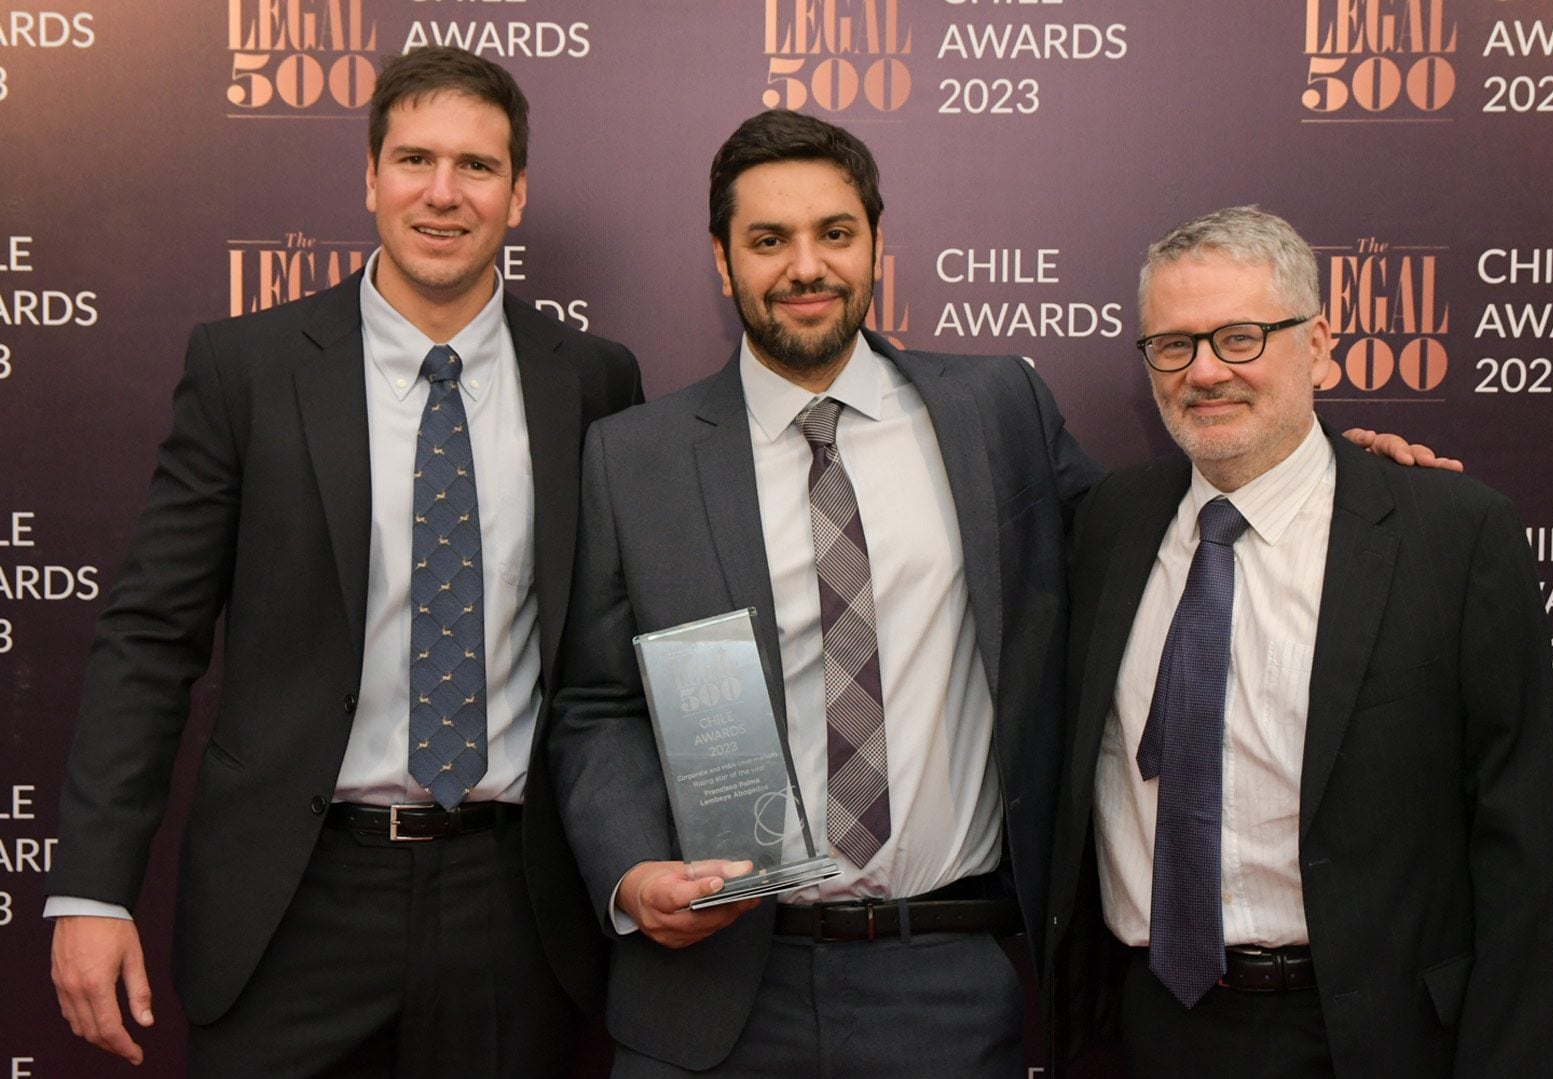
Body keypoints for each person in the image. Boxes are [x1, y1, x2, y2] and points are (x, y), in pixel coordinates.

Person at [46, 46, 641, 1076]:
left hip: (513, 909)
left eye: (477, 165)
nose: (443, 193)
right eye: (414, 160)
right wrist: (94, 887)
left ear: (517, 193)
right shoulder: (246, 369)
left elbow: (616, 658)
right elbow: (150, 638)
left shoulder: (592, 380)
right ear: (369, 178)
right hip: (289, 900)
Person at [547, 108, 1102, 1076]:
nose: (806, 267)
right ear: (722, 261)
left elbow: (1134, 548)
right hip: (713, 988)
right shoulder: (635, 457)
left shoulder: (997, 409)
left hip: (943, 981)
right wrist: (631, 871)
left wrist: (1340, 487)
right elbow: (597, 702)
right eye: (769, 240)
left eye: (834, 233)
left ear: (877, 245)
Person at [1046, 205, 1553, 1077]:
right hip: (1156, 1026)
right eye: (1172, 345)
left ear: (1319, 346)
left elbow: (1522, 848)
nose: (1204, 370)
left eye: (1240, 337)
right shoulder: (1109, 523)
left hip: (1372, 1035)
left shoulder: (1451, 533)